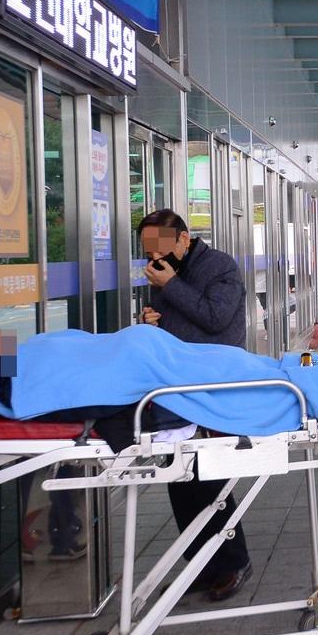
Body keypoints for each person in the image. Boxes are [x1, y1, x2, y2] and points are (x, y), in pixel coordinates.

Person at [137, 209, 253, 601]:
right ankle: (200, 566)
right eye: (147, 251)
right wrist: (151, 321)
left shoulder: (220, 267)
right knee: (179, 478)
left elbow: (216, 319)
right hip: (176, 386)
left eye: (159, 248)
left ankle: (234, 563)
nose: (154, 257)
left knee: (209, 476)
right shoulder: (165, 271)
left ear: (184, 239)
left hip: (212, 382)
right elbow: (173, 323)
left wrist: (170, 286)